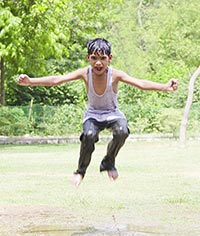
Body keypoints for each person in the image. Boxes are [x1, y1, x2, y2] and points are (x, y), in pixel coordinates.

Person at [18, 38, 178, 186]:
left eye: (103, 59)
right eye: (94, 58)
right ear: (88, 58)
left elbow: (141, 84)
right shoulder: (84, 73)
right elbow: (56, 80)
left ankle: (108, 162)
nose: (98, 63)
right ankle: (80, 171)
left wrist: (165, 86)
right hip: (93, 115)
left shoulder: (115, 75)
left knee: (122, 131)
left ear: (110, 58)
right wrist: (30, 81)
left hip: (113, 114)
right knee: (88, 136)